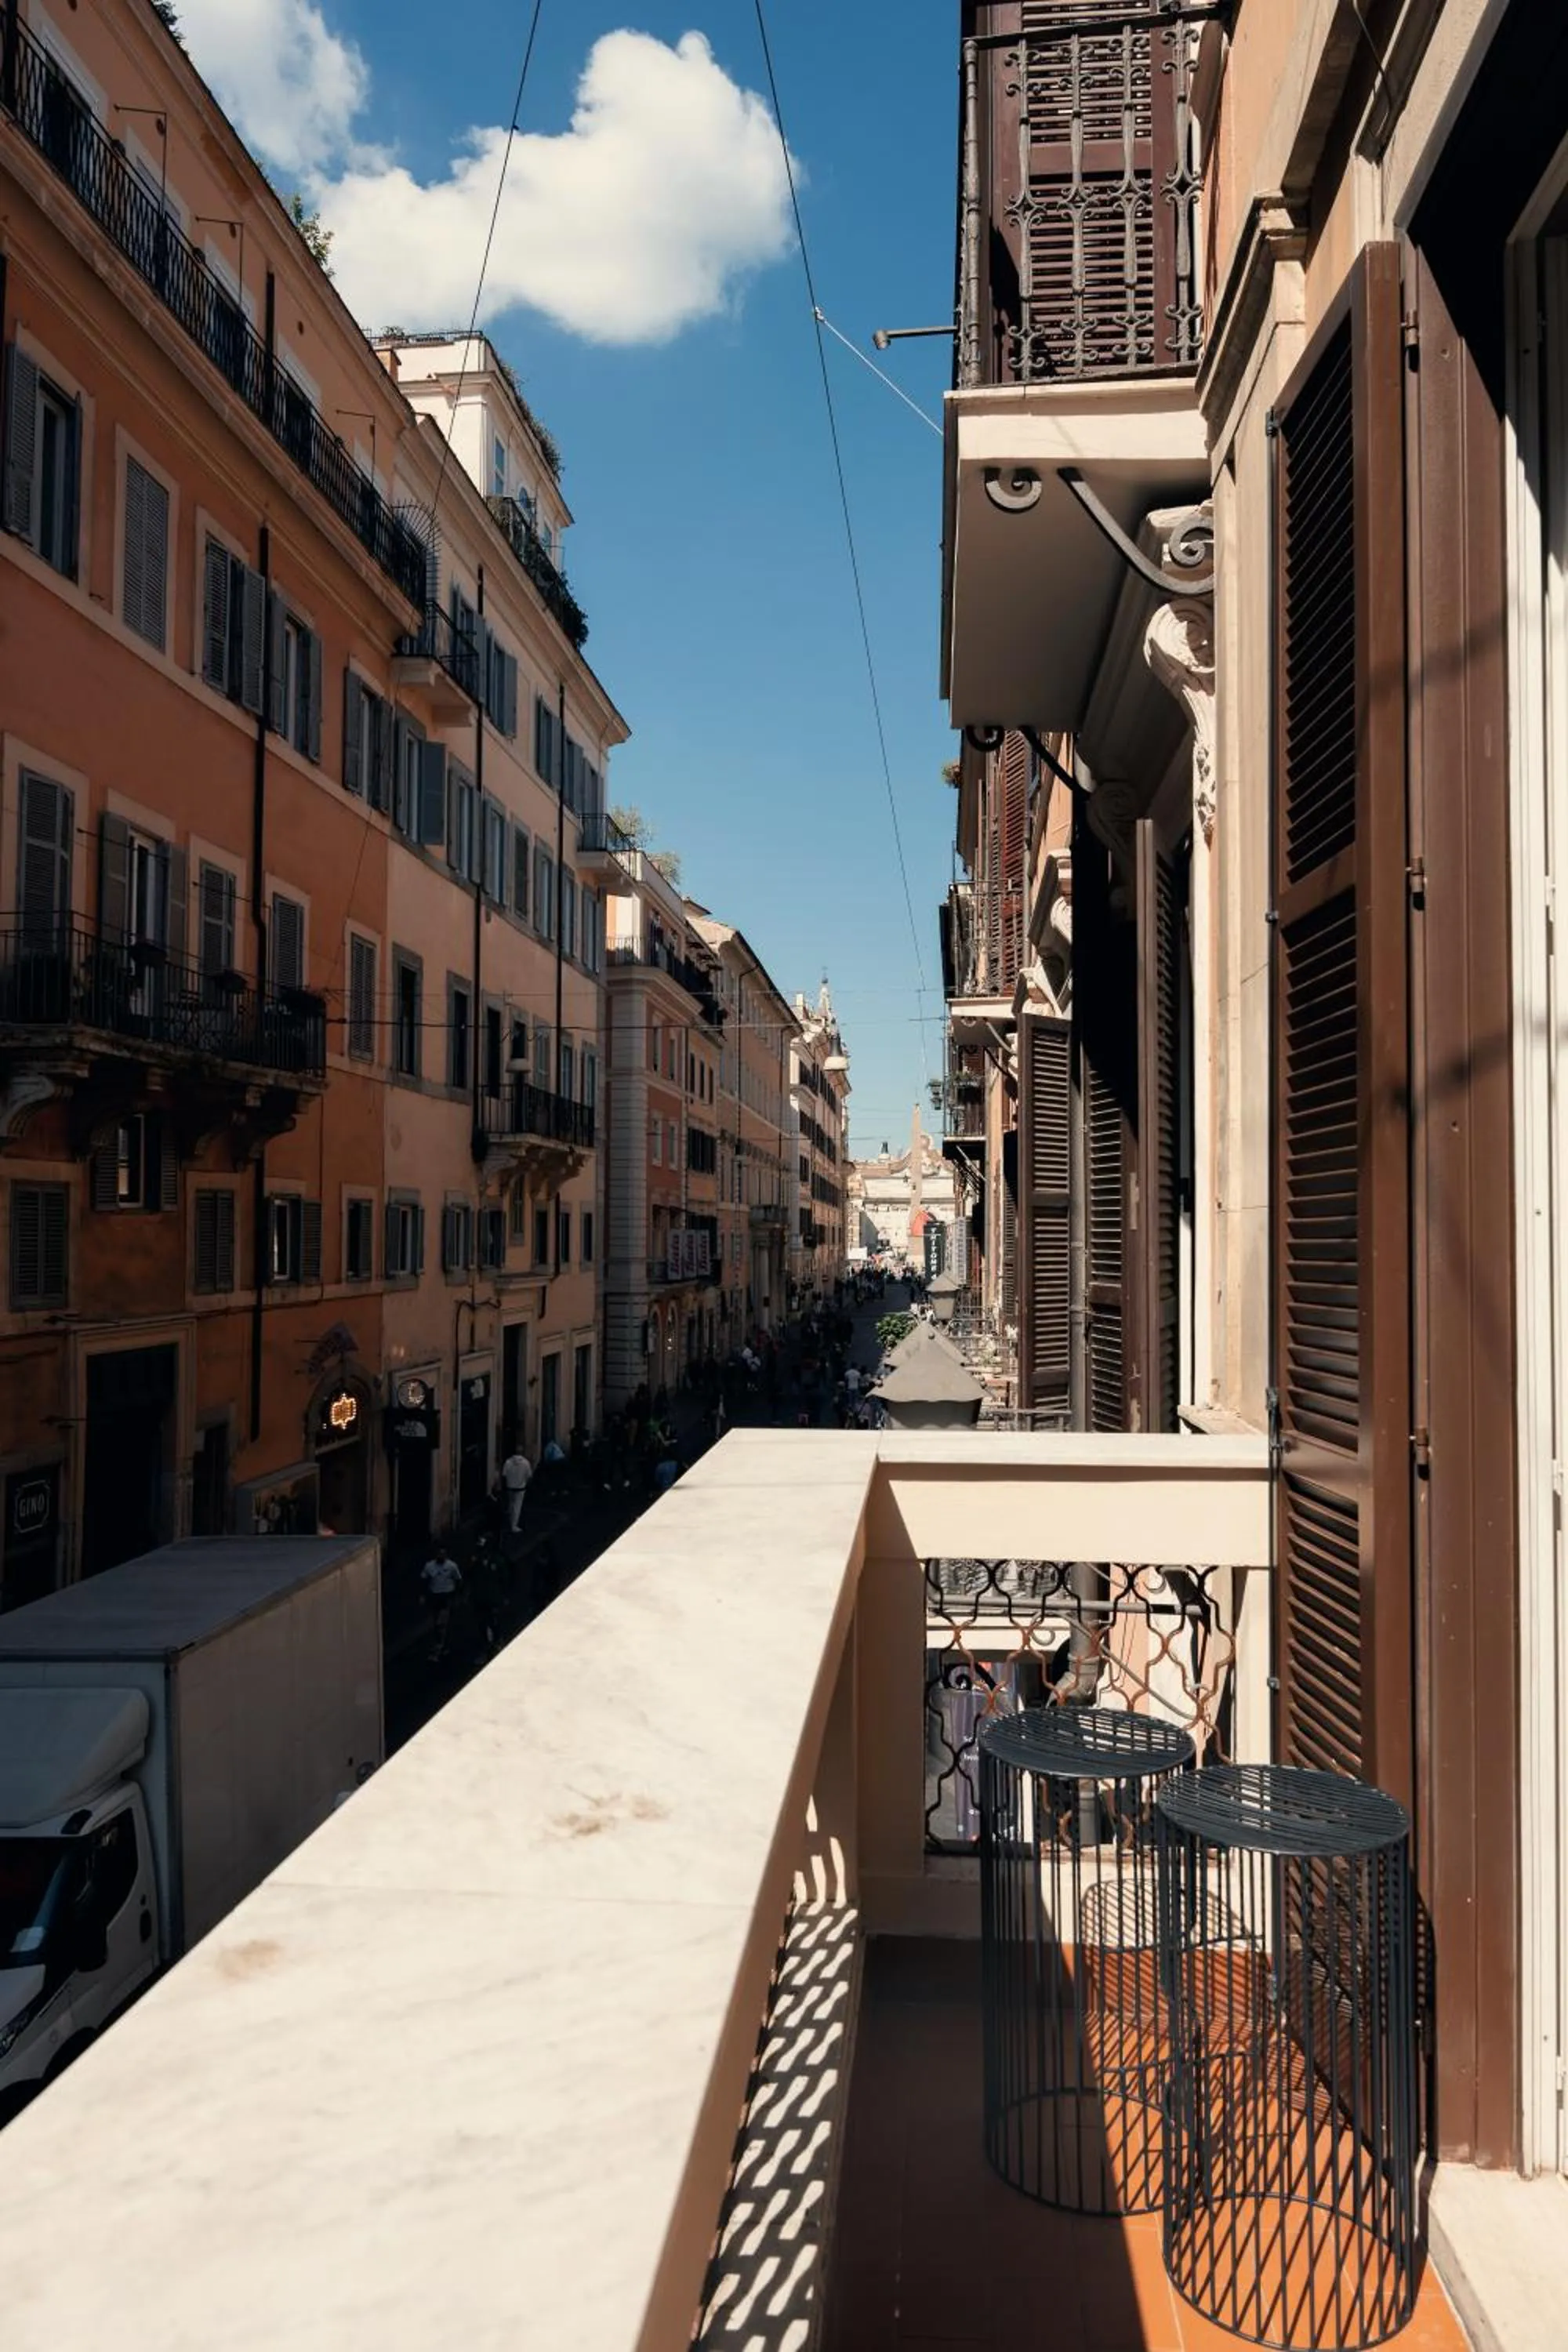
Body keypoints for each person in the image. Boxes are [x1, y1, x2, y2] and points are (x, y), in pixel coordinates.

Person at [420, 1544, 461, 1661]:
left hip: (447, 1596)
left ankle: (439, 1646)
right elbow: (424, 1580)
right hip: (435, 1597)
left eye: (443, 1554)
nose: (441, 1556)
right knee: (436, 1622)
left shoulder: (452, 1566)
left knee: (441, 1623)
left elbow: (458, 1580)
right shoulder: (429, 1566)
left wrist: (457, 1596)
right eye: (439, 1554)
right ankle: (442, 1644)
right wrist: (423, 1595)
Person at [499, 1442, 533, 1533]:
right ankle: (514, 1525)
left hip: (510, 1487)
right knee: (517, 1507)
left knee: (511, 1504)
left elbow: (504, 1475)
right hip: (520, 1488)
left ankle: (509, 1520)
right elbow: (529, 1476)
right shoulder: (526, 1463)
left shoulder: (508, 1462)